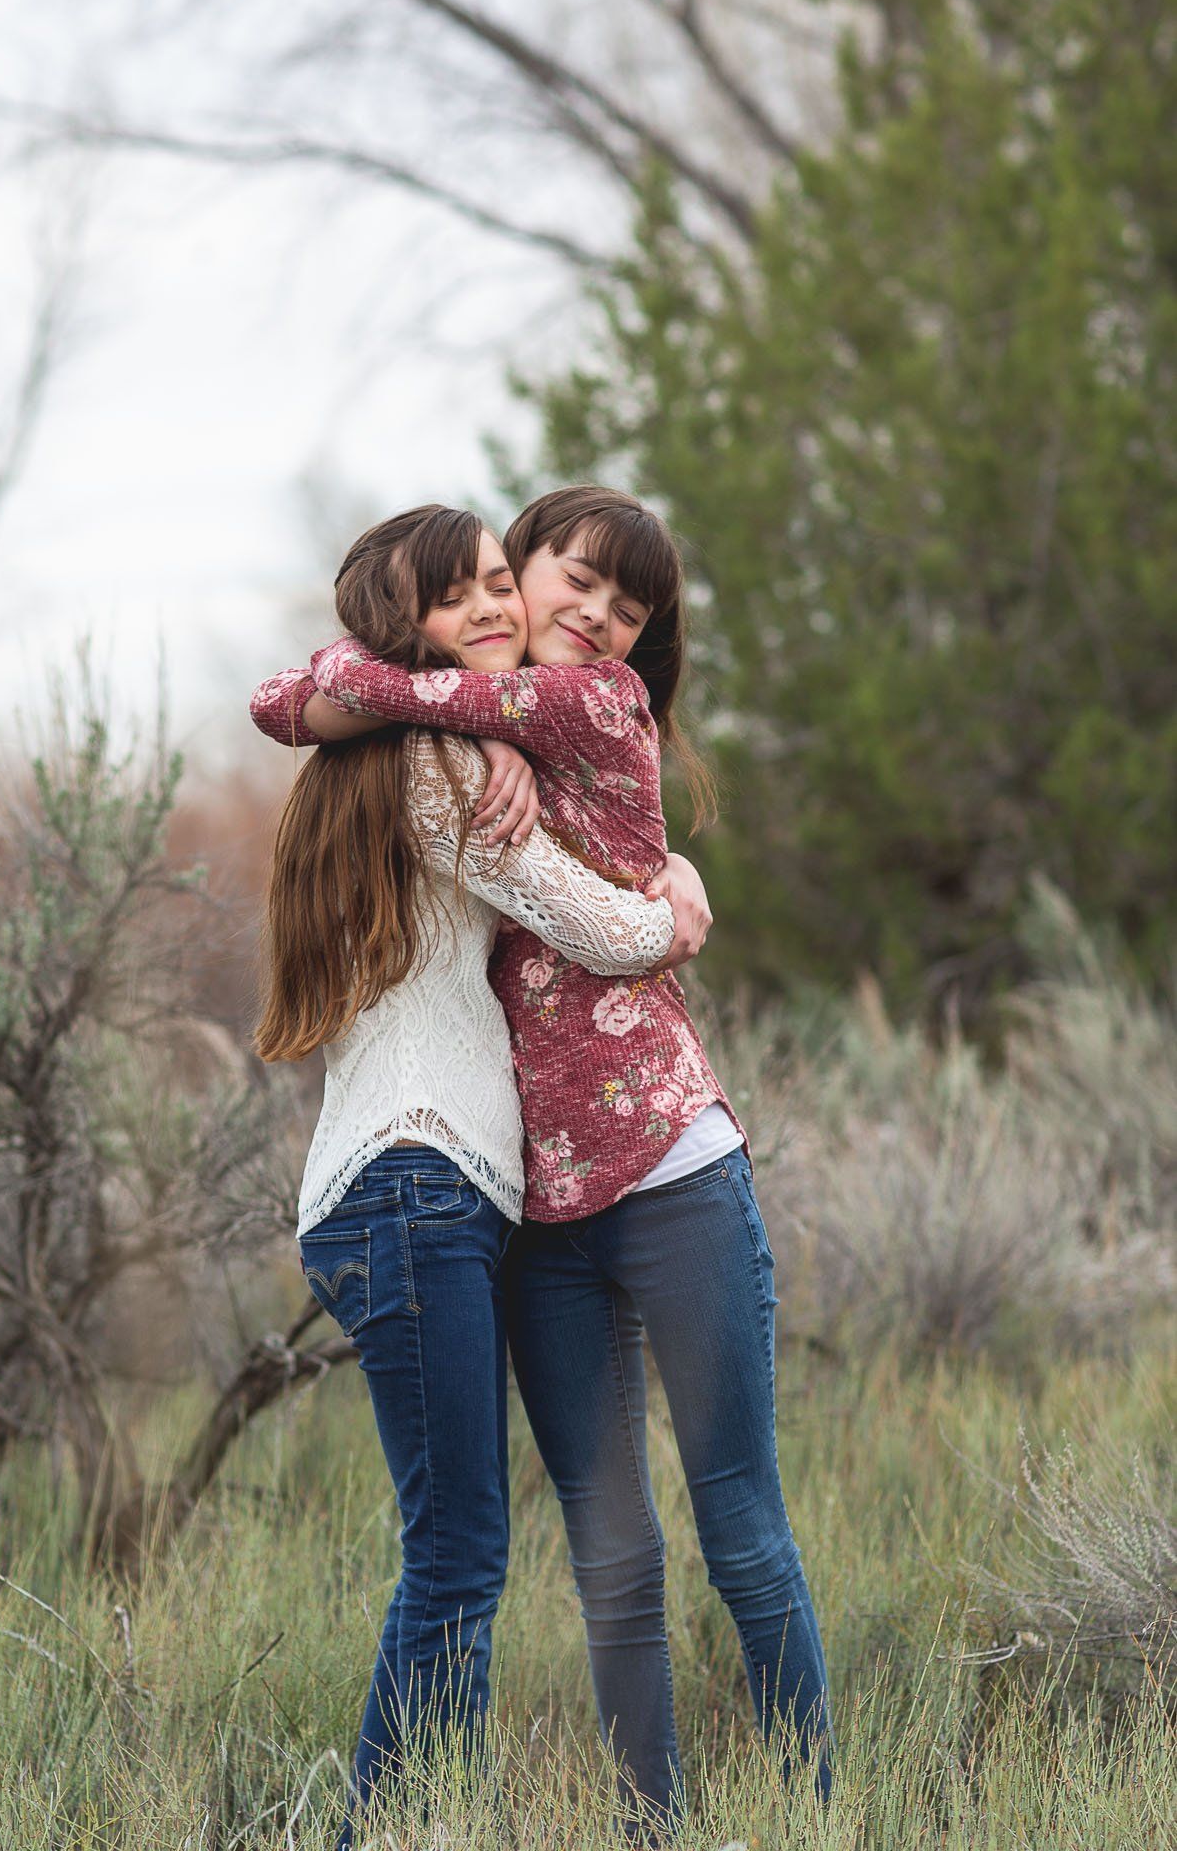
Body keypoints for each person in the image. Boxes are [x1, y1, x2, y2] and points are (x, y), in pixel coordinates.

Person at [253, 485, 833, 1838]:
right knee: (583, 1553)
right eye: (565, 578)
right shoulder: (455, 743)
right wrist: (441, 716)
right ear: (516, 574)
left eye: (624, 608)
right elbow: (307, 696)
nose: (582, 614)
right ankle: (635, 1823)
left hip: (657, 1155)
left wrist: (671, 879)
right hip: (512, 1195)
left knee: (733, 1522)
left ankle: (809, 1808)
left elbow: (341, 696)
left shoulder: (537, 719)